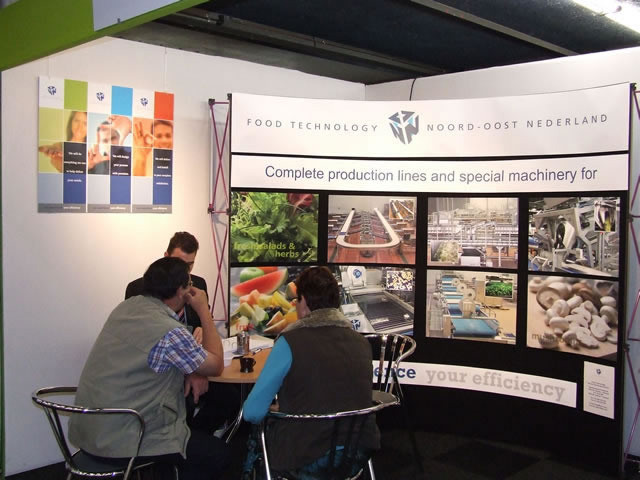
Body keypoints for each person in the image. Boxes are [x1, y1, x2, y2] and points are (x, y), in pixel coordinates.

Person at [68, 257, 230, 479]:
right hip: (126, 438)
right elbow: (216, 365)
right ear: (181, 291)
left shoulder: (126, 308)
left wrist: (192, 369)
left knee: (196, 429)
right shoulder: (169, 330)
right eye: (189, 284)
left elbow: (148, 356)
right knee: (218, 454)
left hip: (91, 429)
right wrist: (203, 311)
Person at [242, 266, 379, 477]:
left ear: (304, 302)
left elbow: (252, 412)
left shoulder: (290, 342)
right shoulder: (361, 342)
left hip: (308, 457)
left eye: (296, 300)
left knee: (257, 435)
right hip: (357, 454)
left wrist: (281, 407)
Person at [125, 231, 238, 434]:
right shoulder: (139, 289)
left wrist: (202, 328)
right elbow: (150, 342)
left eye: (189, 265)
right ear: (166, 257)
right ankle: (185, 441)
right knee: (187, 397)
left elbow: (202, 327)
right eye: (179, 263)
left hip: (193, 361)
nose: (184, 272)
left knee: (230, 396)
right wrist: (192, 371)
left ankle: (193, 437)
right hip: (163, 374)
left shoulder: (198, 285)